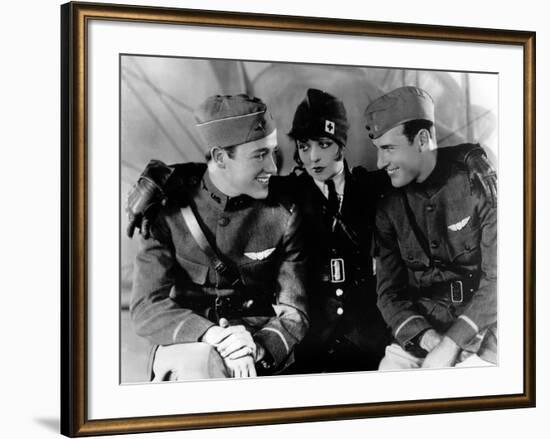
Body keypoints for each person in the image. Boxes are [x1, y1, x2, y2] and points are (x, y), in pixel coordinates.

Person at [127, 89, 497, 375]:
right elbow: (218, 172)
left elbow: (424, 162)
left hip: (366, 334)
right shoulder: (283, 193)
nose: (313, 157)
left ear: (343, 146)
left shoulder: (374, 188)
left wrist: (472, 156)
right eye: (304, 147)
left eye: (325, 145)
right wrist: (160, 176)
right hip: (310, 341)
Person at [130, 94, 309, 380]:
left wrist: (257, 348)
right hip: (188, 343)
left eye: (272, 152)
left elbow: (294, 311)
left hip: (256, 346)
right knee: (200, 366)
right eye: (259, 155)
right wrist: (213, 336)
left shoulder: (283, 214)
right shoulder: (168, 208)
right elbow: (146, 306)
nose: (273, 168)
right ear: (220, 157)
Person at [365, 86, 497, 369]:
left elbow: (505, 279)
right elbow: (389, 293)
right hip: (424, 331)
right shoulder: (388, 204)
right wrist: (426, 338)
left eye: (388, 149)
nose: (380, 163)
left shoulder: (475, 182)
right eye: (379, 150)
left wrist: (452, 343)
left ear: (422, 140)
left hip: (483, 331)